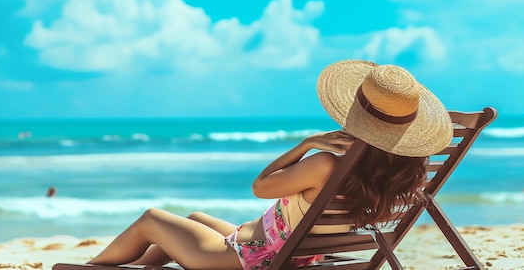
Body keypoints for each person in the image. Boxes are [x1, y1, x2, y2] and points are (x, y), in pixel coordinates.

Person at [84, 60, 453, 270]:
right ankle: (140, 268)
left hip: (258, 261)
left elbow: (260, 186)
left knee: (151, 217)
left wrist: (305, 145)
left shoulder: (326, 164)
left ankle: (93, 268)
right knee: (195, 218)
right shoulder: (391, 175)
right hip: (288, 254)